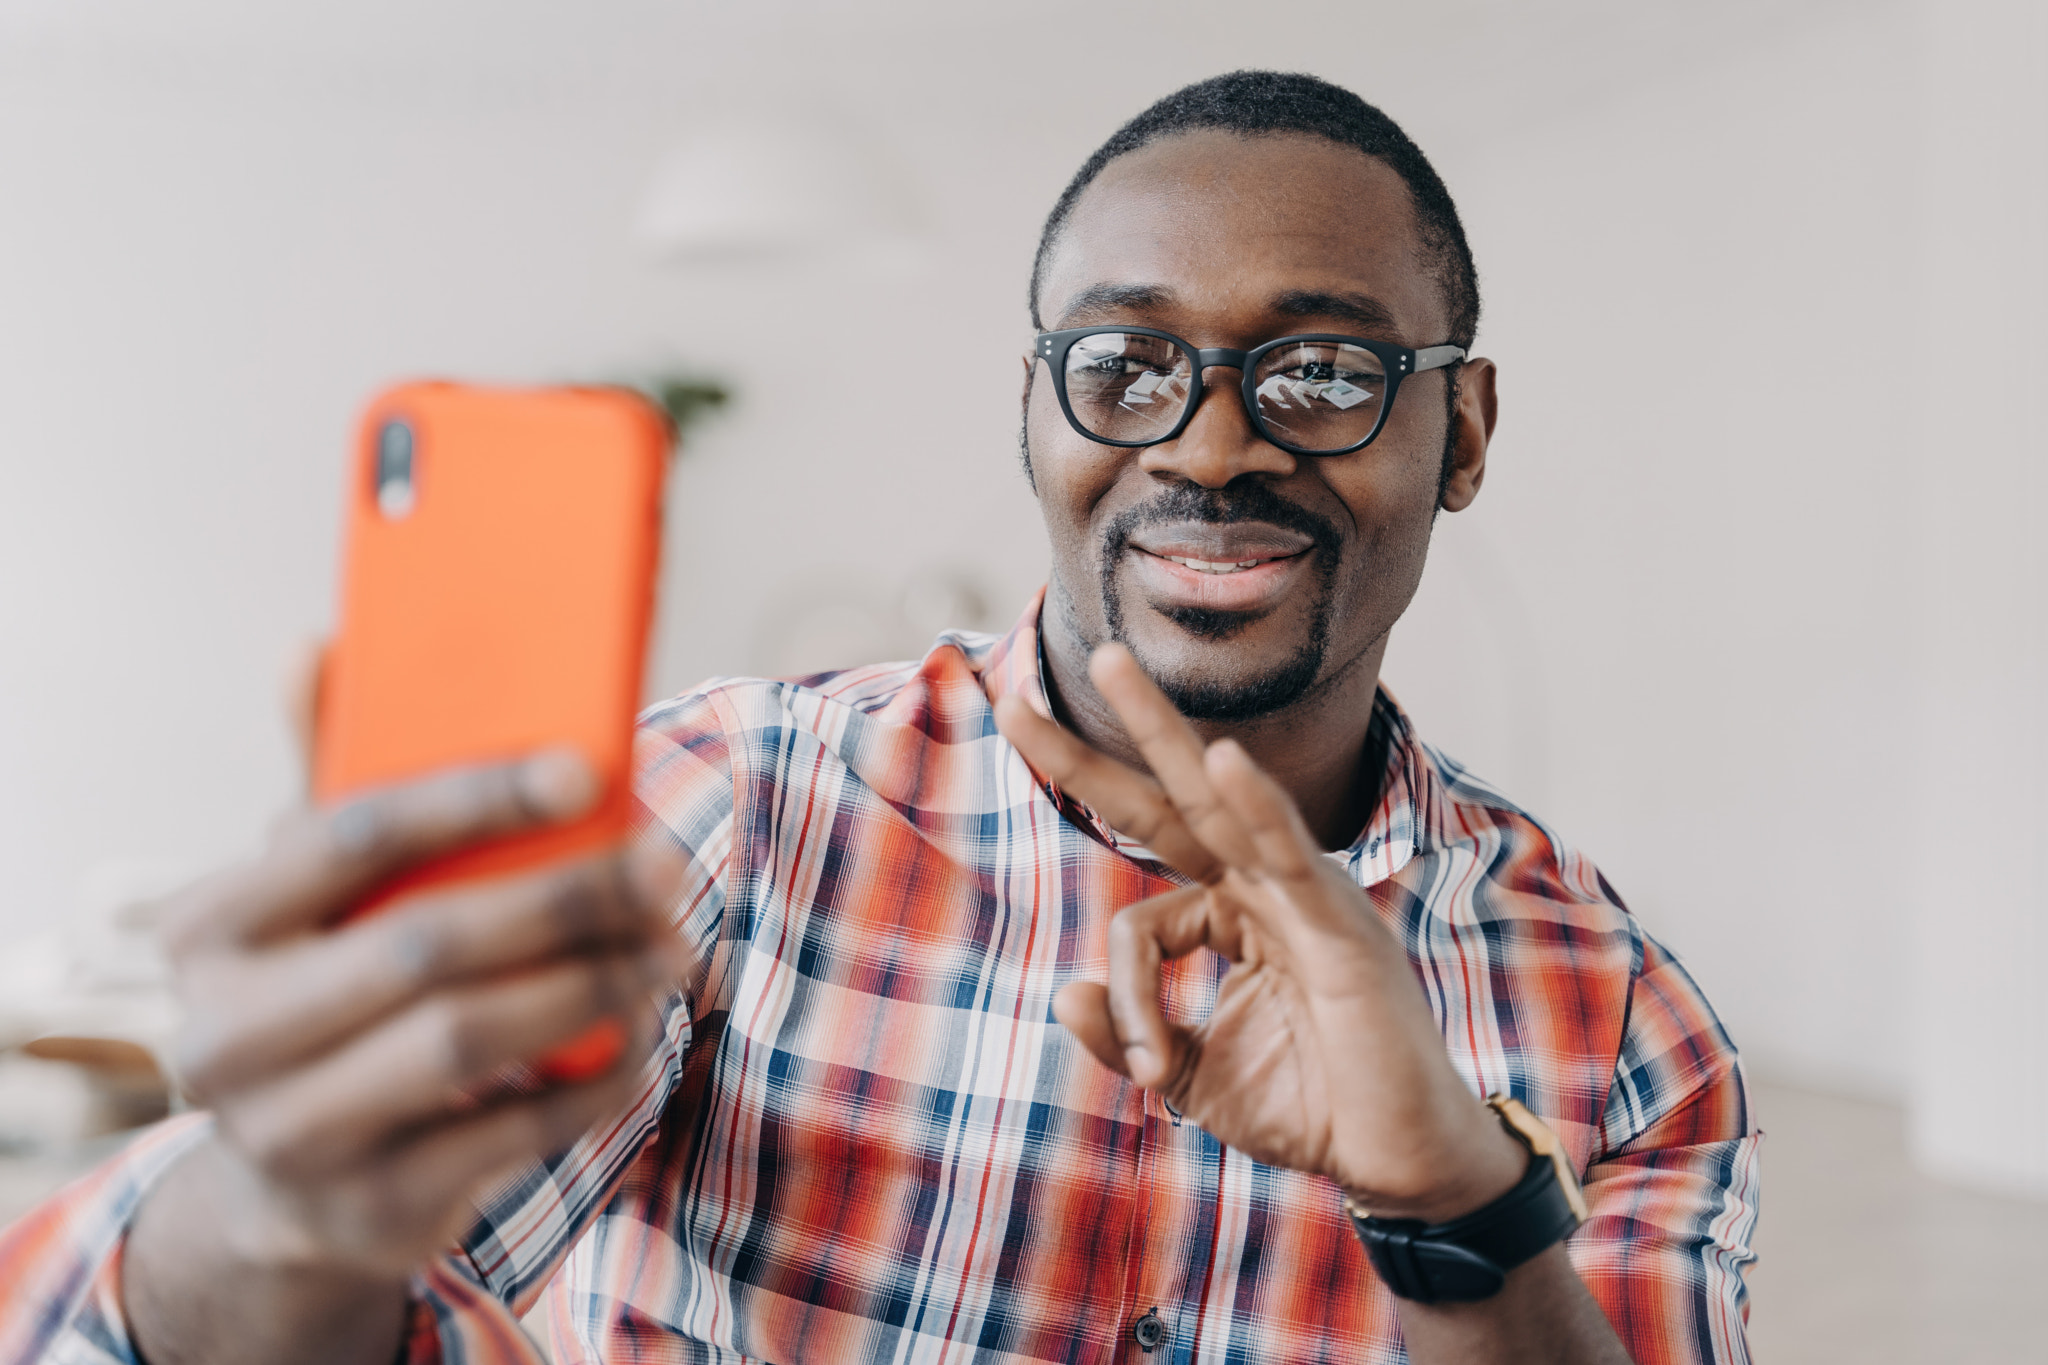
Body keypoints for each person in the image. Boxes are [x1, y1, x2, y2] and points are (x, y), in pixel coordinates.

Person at [0, 71, 1758, 1365]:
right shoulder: (725, 808)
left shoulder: (1617, 1012)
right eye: (1126, 363)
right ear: (1037, 411)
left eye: (1320, 371)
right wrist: (281, 1208)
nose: (1210, 446)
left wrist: (1459, 1206)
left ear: (1459, 434)